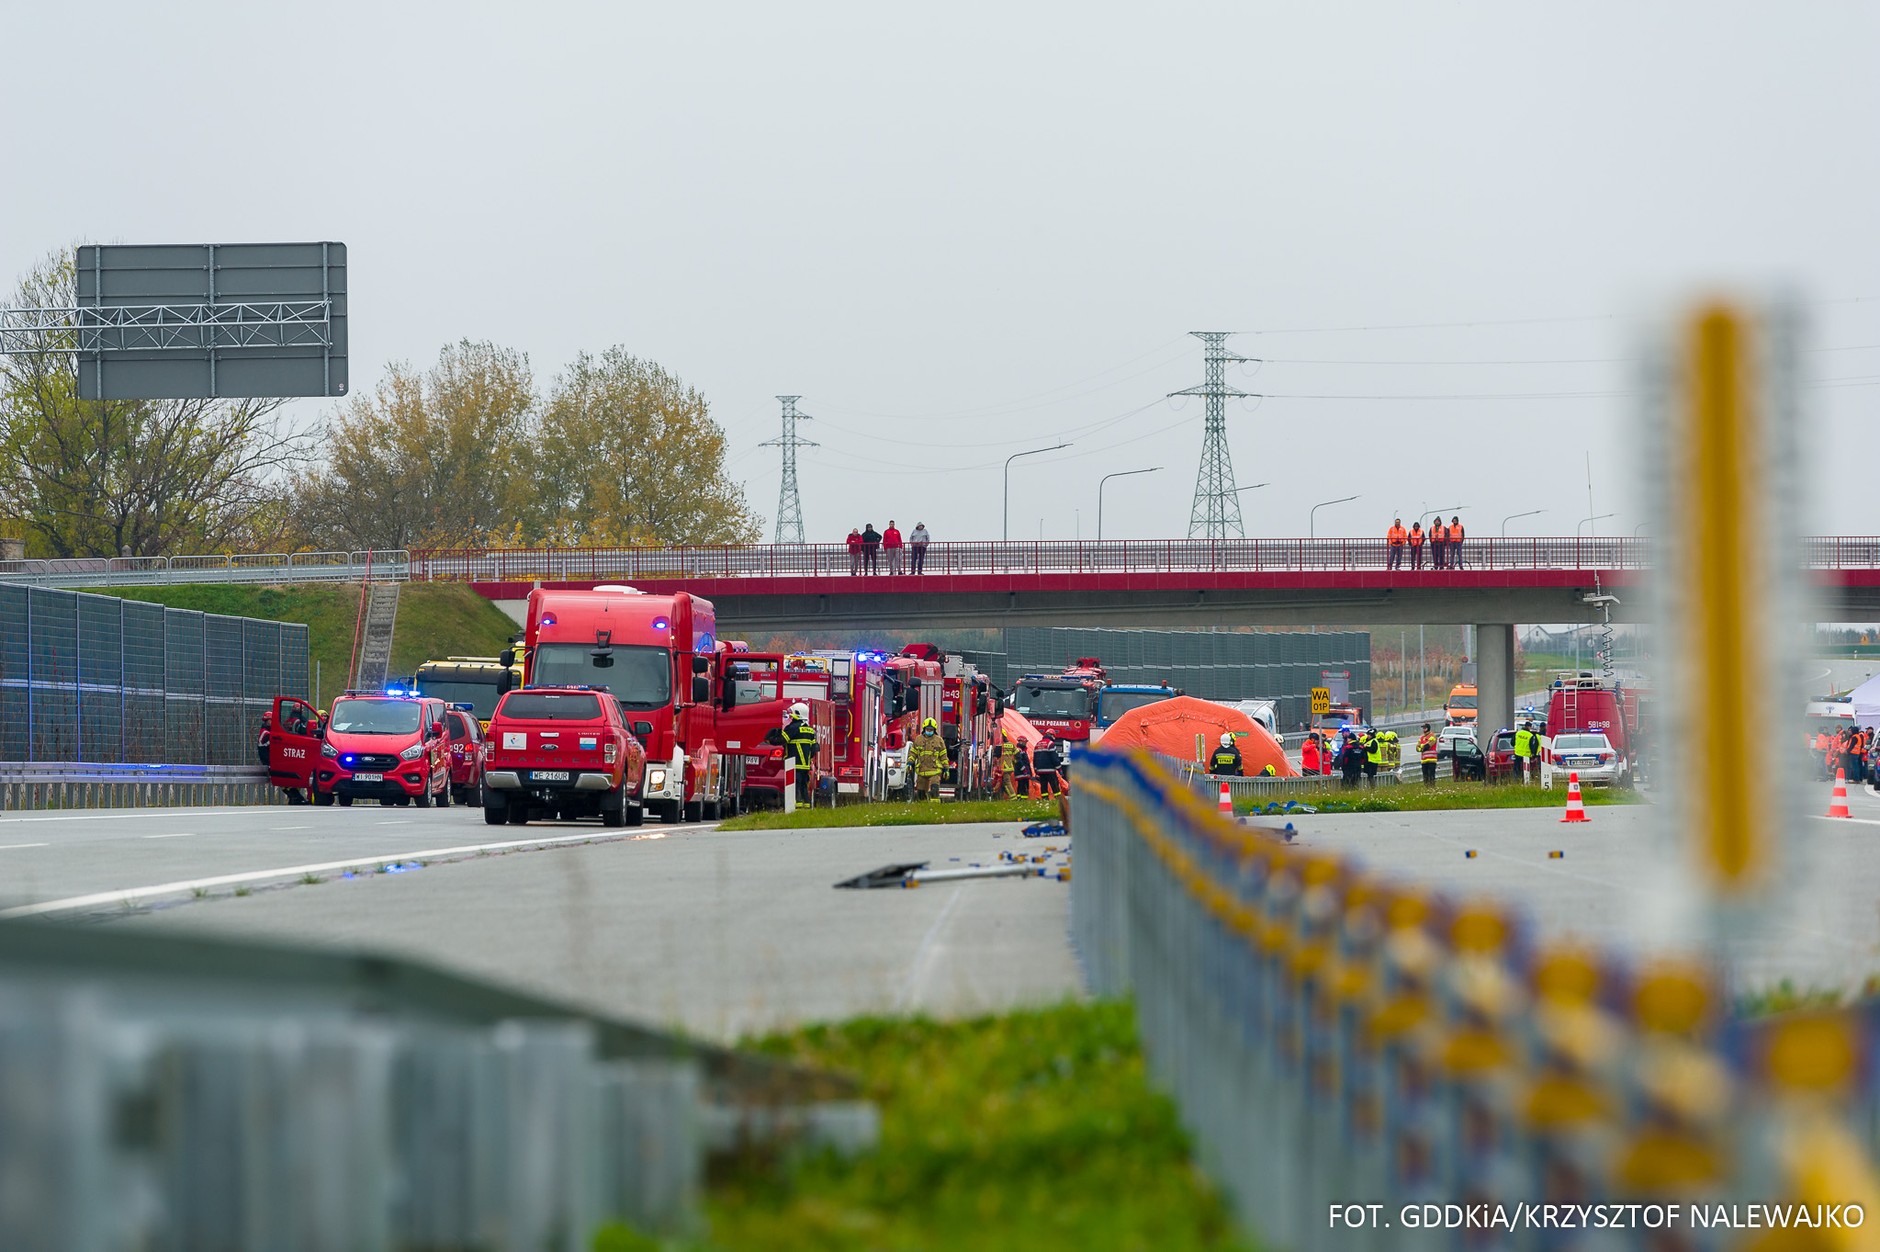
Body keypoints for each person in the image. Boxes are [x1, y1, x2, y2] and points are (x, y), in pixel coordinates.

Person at [781, 703, 819, 804]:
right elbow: (814, 749)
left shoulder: (792, 728)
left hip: (793, 764)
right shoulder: (810, 731)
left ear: (797, 713)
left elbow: (782, 740)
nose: (790, 715)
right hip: (805, 766)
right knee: (803, 787)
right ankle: (806, 806)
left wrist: (770, 738)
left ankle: (795, 805)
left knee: (795, 787)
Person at [908, 716, 948, 799]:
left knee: (934, 789)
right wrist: (910, 763)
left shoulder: (939, 741)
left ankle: (935, 806)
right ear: (924, 729)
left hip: (935, 771)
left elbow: (943, 756)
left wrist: (946, 769)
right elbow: (913, 753)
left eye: (931, 730)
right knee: (920, 793)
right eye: (928, 729)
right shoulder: (918, 739)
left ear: (934, 730)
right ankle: (923, 807)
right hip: (922, 771)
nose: (929, 731)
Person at [994, 729, 1018, 798]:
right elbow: (1018, 755)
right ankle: (1001, 797)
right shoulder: (1011, 745)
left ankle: (1013, 798)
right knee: (1003, 783)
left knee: (1007, 782)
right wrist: (1014, 763)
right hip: (1009, 767)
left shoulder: (1001, 745)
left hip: (1004, 768)